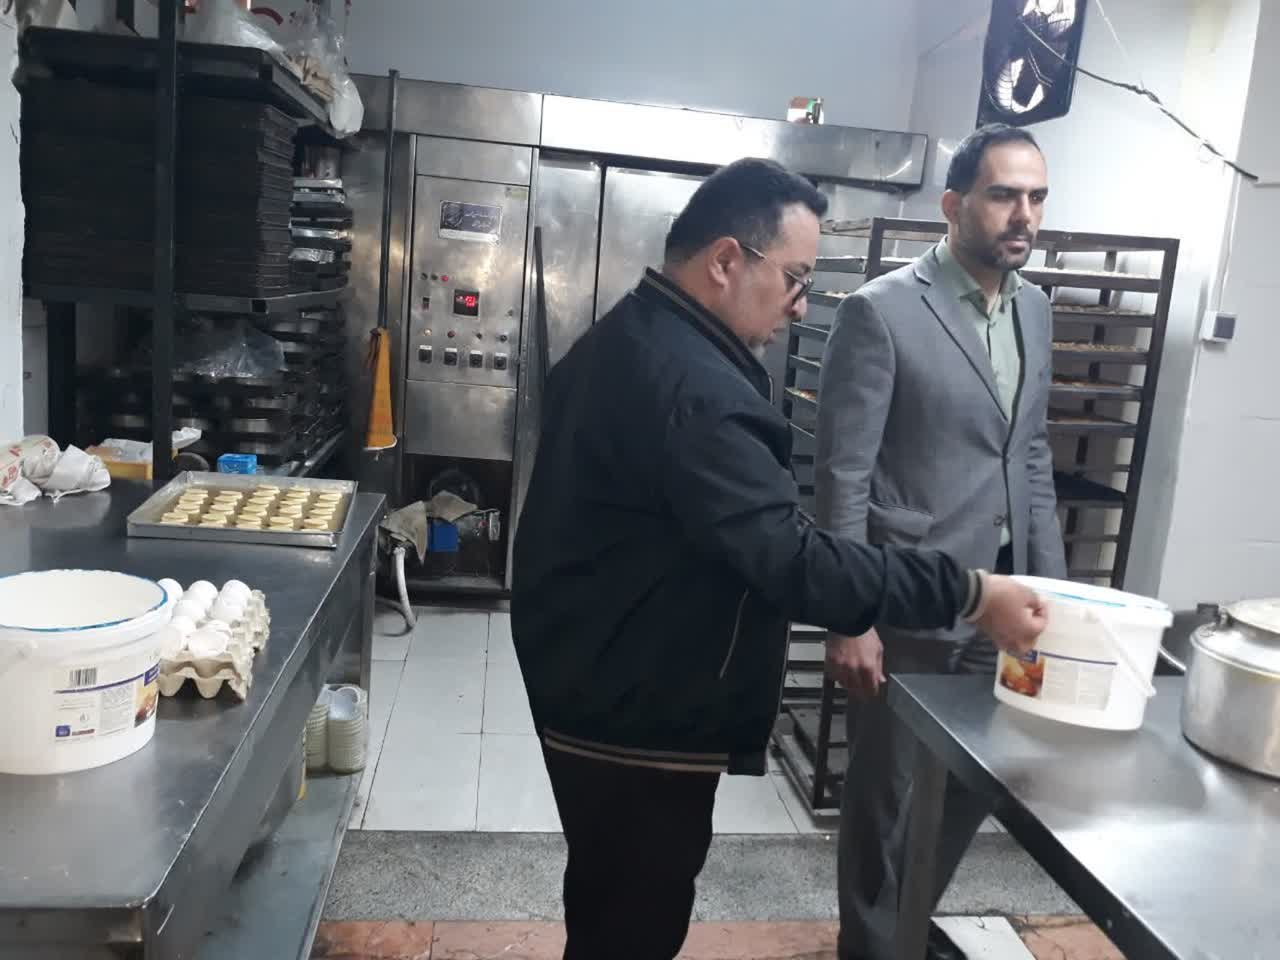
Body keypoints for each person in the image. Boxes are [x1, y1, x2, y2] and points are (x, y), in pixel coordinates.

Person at [511, 156, 1049, 960]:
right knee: (633, 922)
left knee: (613, 908)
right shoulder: (697, 392)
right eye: (795, 279)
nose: (800, 306)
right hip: (633, 707)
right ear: (726, 261)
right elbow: (794, 560)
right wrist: (969, 592)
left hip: (598, 674)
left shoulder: (638, 335)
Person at [816, 124, 1067, 960]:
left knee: (978, 782)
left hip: (1009, 609)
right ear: (954, 205)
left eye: (1036, 197)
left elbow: (1030, 455)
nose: (1023, 214)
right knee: (887, 802)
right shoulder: (881, 311)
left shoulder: (1035, 309)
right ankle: (871, 948)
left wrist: (1056, 596)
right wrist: (851, 616)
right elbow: (844, 476)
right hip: (913, 601)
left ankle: (905, 926)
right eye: (1004, 195)